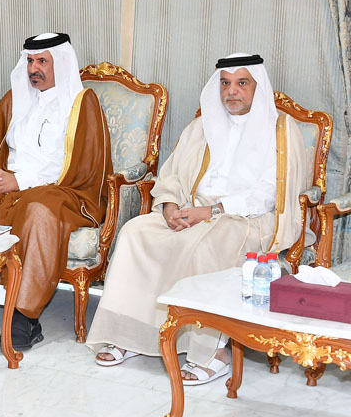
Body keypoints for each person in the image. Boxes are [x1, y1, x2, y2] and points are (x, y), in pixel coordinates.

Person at [86, 53, 309, 385]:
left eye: (242, 83)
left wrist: (212, 211)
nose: (232, 91)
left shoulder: (280, 130)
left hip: (246, 219)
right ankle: (131, 335)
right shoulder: (201, 126)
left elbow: (270, 194)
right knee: (135, 233)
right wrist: (169, 206)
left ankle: (211, 352)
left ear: (257, 87)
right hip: (192, 209)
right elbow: (172, 174)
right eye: (225, 83)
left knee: (204, 244)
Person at [0, 33, 112, 350]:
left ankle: (24, 316)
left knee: (37, 211)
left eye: (42, 61)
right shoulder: (15, 98)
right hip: (8, 182)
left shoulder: (82, 103)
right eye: (29, 61)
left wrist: (19, 182)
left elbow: (82, 163)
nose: (33, 69)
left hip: (62, 189)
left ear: (60, 63)